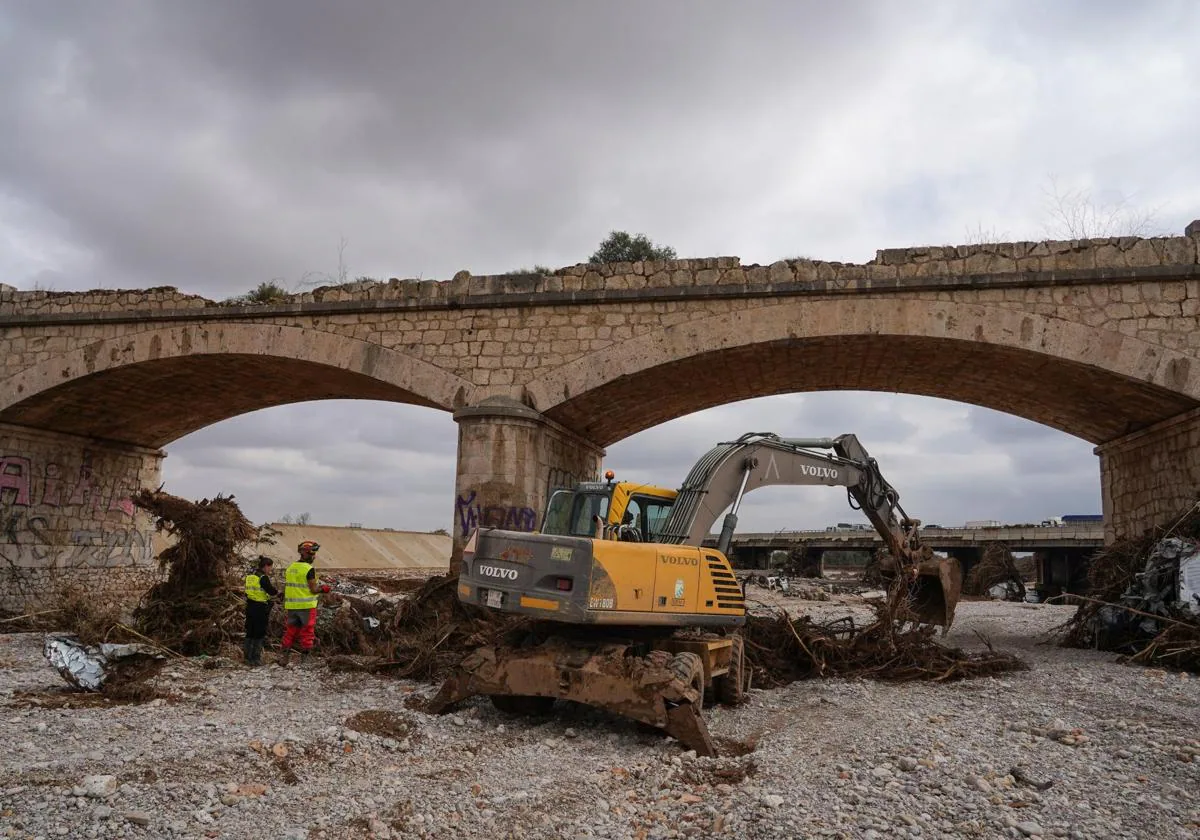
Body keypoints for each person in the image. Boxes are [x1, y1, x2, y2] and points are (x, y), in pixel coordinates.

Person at [279, 540, 329, 666]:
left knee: (290, 631)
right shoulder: (309, 569)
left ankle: (284, 658)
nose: (314, 556)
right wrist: (323, 589)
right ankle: (305, 660)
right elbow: (313, 590)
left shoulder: (291, 568)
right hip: (306, 607)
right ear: (308, 553)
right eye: (313, 554)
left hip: (292, 606)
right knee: (307, 633)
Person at [243, 555, 279, 666]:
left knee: (250, 631)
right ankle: (256, 658)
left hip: (250, 606)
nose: (270, 570)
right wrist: (278, 593)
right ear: (265, 566)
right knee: (259, 633)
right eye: (270, 567)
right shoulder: (263, 577)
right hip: (260, 608)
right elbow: (271, 590)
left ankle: (247, 657)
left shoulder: (251, 576)